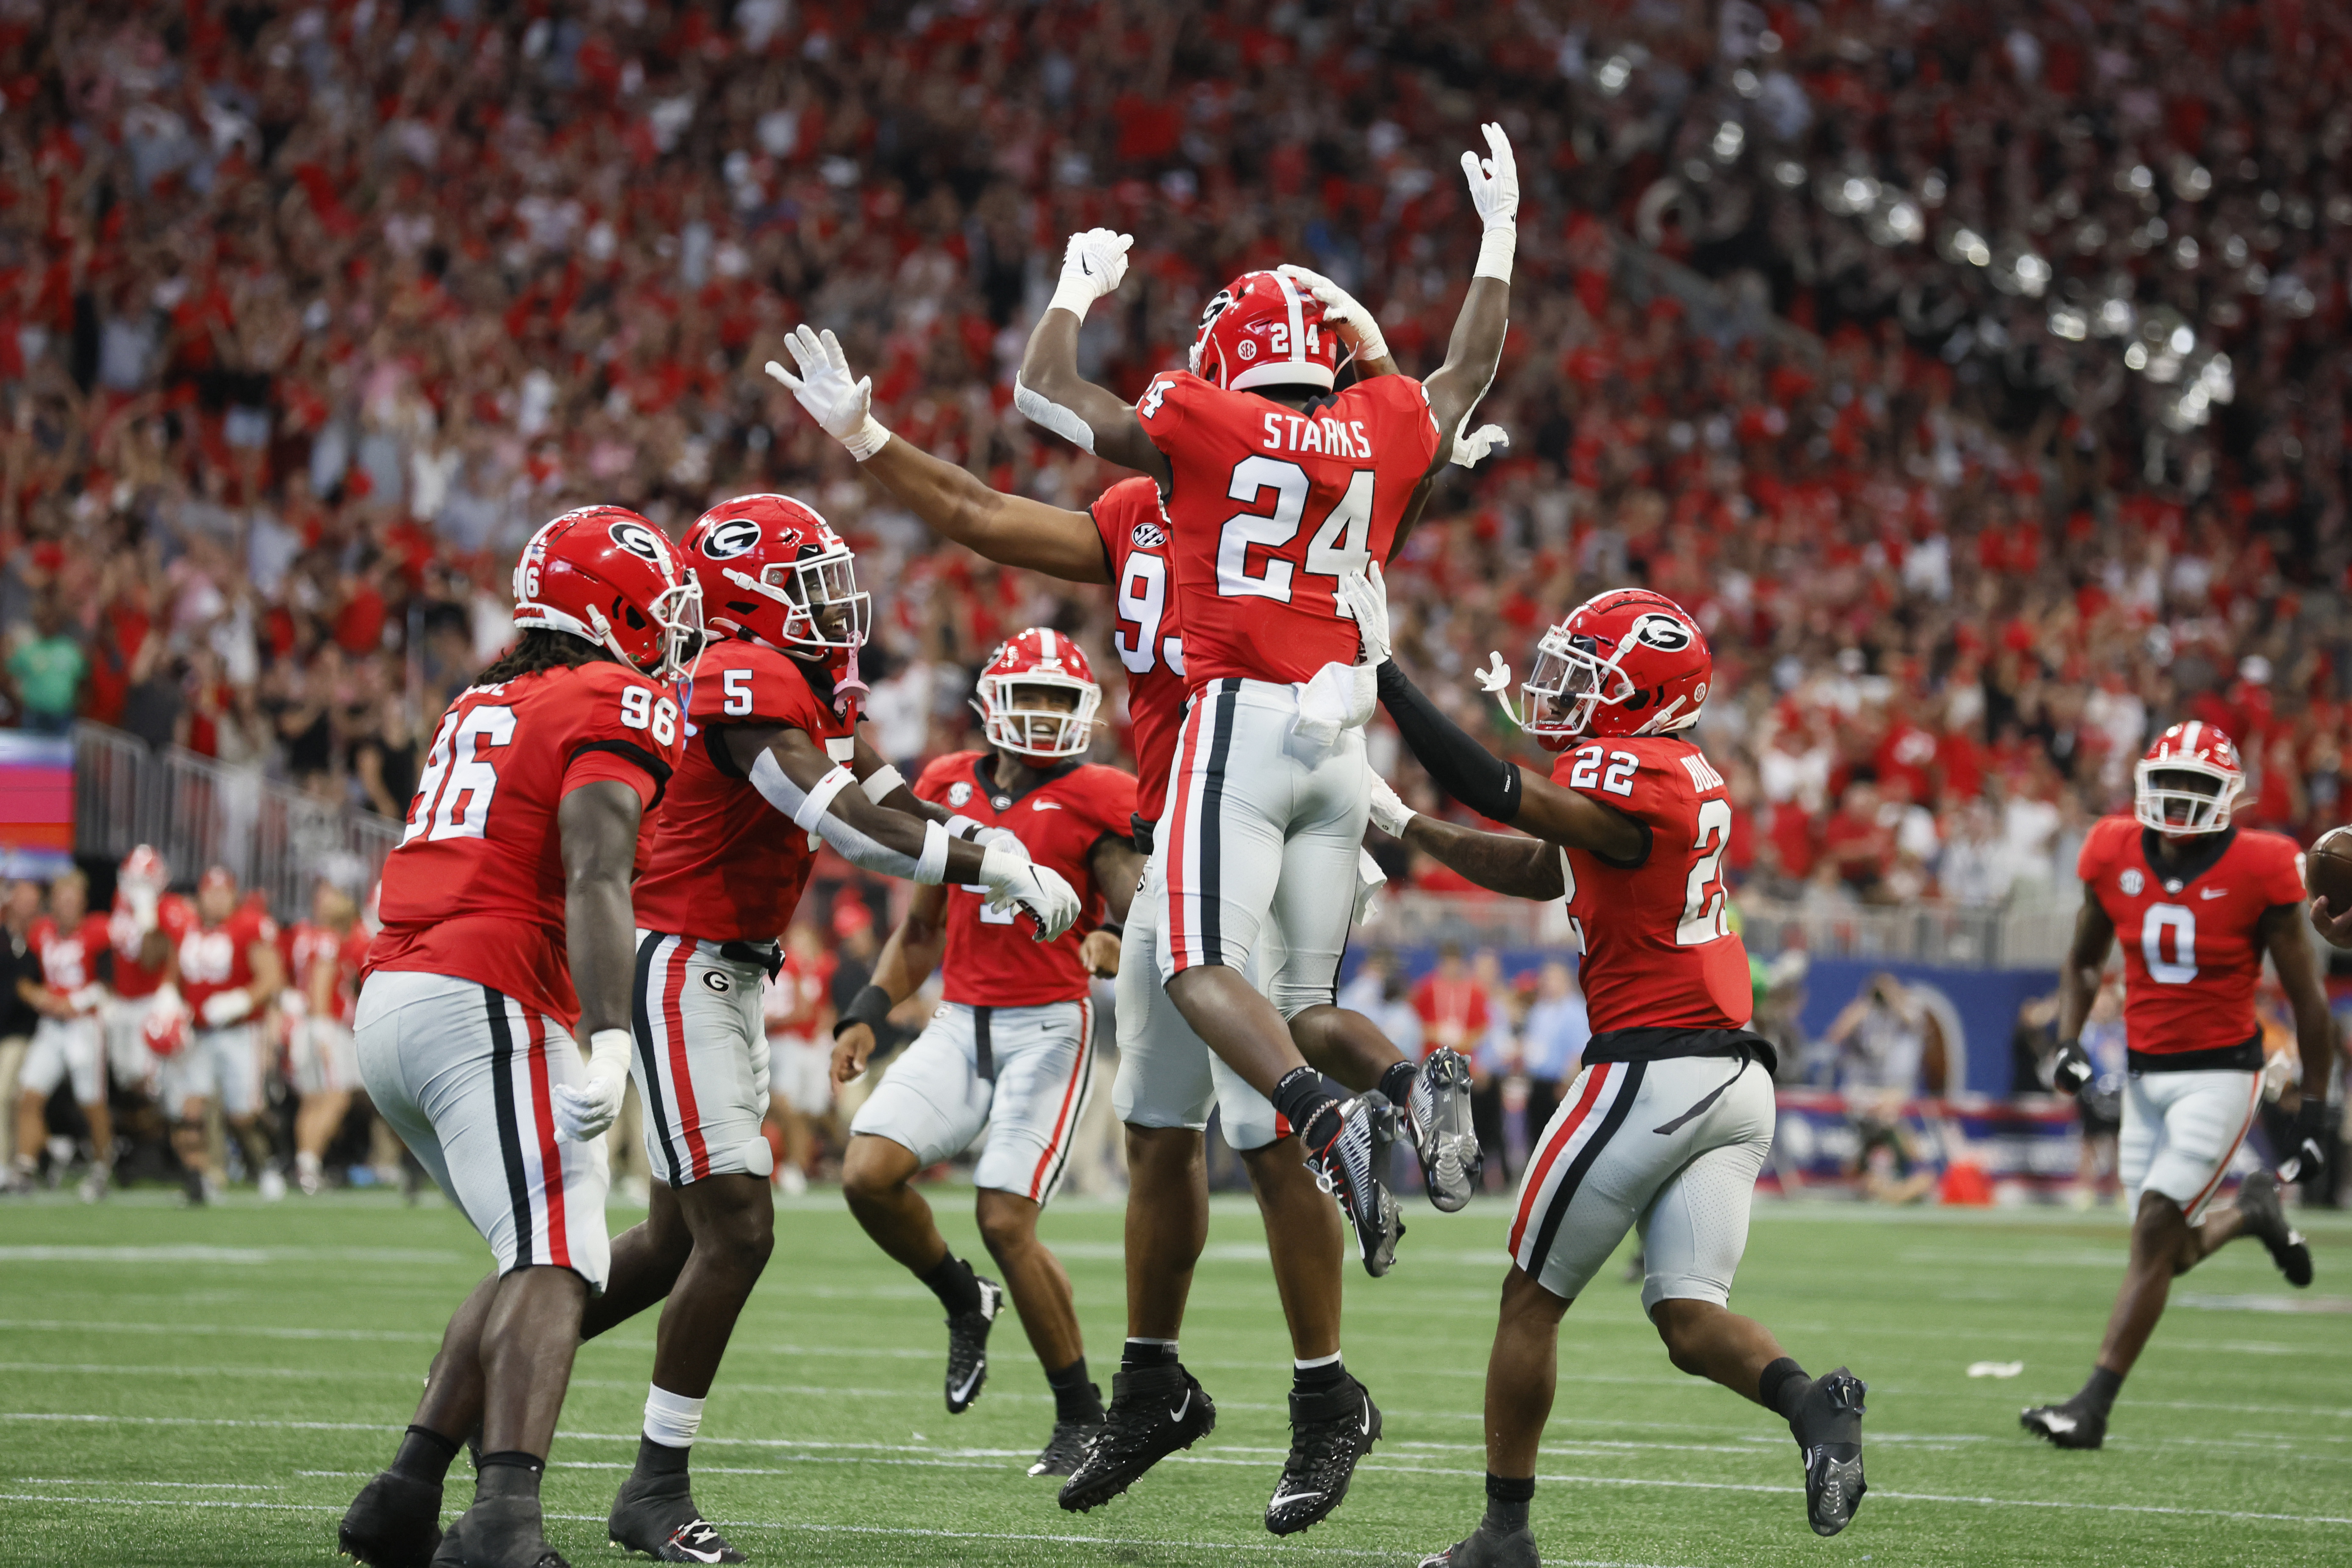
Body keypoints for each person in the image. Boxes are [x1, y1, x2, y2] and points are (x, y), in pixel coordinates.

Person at [770, 304, 1488, 1530]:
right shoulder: (1151, 509)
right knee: (1158, 1127)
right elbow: (985, 514)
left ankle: (1326, 1393)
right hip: (1184, 828)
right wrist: (869, 435)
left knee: (1266, 1126)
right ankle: (1151, 1380)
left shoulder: (1268, 482)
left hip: (1250, 809)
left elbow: (1364, 487)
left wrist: (890, 421)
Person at [1006, 123, 1513, 1297]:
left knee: (1191, 965)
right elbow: (1463, 375)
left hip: (1233, 722)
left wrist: (1075, 291)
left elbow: (1043, 392)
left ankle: (1323, 1119)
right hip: (1344, 741)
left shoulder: (1201, 417)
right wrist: (1495, 237)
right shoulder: (1376, 423)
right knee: (1306, 997)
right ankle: (1397, 1084)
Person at [594, 494, 1078, 1563]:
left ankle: (502, 1355)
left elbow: (893, 795)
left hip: (727, 972)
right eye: (808, 581)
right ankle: (654, 1484)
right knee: (739, 1231)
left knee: (675, 1243)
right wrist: (995, 861)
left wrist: (991, 844)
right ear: (748, 596)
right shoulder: (739, 676)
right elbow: (847, 822)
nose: (834, 603)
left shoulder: (807, 682)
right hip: (681, 958)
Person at [1350, 578, 1870, 1562]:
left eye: (1589, 679)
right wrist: (1404, 825)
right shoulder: (1671, 778)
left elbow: (1502, 788)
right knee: (1685, 1316)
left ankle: (1504, 1535)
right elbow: (1536, 863)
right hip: (1732, 1081)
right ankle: (1816, 1408)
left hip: (1653, 1068)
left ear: (1649, 697)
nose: (1565, 694)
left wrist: (1388, 677)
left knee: (1529, 1301)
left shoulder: (1647, 778)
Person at [335, 505, 700, 1568]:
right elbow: (596, 866)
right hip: (484, 990)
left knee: (530, 1249)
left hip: (399, 994)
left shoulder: (486, 694)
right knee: (561, 1253)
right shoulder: (612, 692)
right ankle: (502, 1517)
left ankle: (404, 1490)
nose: (667, 633)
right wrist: (613, 1031)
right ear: (614, 609)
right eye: (657, 609)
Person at [831, 628, 1137, 1476]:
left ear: (1083, 711)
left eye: (1056, 698)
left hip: (1048, 1026)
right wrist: (866, 1011)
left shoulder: (1102, 792)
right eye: (1028, 695)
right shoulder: (943, 783)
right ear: (992, 703)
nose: (1041, 713)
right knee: (866, 1173)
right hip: (960, 1022)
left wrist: (1111, 933)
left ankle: (1081, 1414)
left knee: (1004, 1216)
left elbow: (1130, 891)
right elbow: (923, 929)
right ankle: (965, 1298)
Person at [2021, 723, 2332, 1451]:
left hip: (2223, 1072)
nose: (2182, 798)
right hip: (2143, 1074)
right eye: (2172, 784)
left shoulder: (2262, 865)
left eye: (2199, 786)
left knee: (2156, 1228)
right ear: (2142, 787)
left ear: (2229, 797)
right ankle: (2251, 1214)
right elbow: (2080, 961)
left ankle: (2091, 1406)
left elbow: (2310, 1003)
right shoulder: (2111, 848)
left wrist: (2314, 1107)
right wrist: (2067, 1041)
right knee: (2167, 1248)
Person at [169, 866, 286, 1204]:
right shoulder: (188, 927)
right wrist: (169, 1002)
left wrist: (239, 1001)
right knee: (192, 1107)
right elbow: (173, 973)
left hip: (239, 1031)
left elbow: (271, 978)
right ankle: (197, 1177)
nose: (216, 900)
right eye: (210, 892)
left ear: (233, 895)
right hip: (199, 1032)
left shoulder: (248, 926)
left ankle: (268, 1164)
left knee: (243, 1113)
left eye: (223, 893)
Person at [11, 870, 113, 1199]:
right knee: (28, 1095)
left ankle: (101, 1166)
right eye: (61, 898)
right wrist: (41, 997)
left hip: (85, 1026)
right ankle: (26, 1167)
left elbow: (109, 982)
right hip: (52, 1026)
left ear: (83, 901)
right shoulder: (41, 931)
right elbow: (23, 979)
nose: (67, 905)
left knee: (91, 1102)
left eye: (72, 899)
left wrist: (76, 1001)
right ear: (52, 901)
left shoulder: (97, 931)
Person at [284, 881, 371, 1196]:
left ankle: (305, 1166)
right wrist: (321, 1021)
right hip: (325, 1025)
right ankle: (308, 1167)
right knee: (335, 1097)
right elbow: (321, 980)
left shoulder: (308, 934)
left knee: (314, 1099)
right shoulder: (327, 938)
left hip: (309, 1023)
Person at [103, 846, 194, 1110]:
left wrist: (148, 919)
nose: (135, 887)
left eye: (143, 881)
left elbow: (151, 960)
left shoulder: (169, 908)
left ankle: (167, 1141)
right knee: (126, 1078)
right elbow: (119, 953)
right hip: (124, 1002)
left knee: (154, 1082)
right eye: (132, 880)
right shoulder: (119, 902)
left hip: (151, 1002)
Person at [763, 921, 836, 1195]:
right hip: (774, 1042)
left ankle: (796, 1165)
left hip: (792, 1043)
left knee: (793, 1107)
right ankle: (788, 1165)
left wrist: (771, 1020)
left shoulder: (793, 964)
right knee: (778, 1107)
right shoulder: (772, 961)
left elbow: (806, 1010)